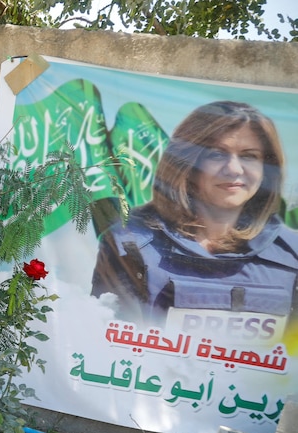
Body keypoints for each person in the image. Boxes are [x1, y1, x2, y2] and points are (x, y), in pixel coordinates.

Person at [91, 101, 298, 336]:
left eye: (249, 156)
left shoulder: (292, 256)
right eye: (217, 154)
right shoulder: (130, 246)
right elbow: (105, 346)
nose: (234, 169)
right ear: (187, 164)